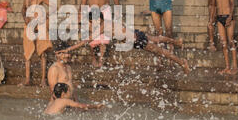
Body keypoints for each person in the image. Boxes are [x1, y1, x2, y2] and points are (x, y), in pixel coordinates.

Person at [59, 16, 189, 74]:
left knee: (160, 51)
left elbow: (85, 41)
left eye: (91, 22)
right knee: (156, 38)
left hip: (136, 39)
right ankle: (177, 42)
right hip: (136, 35)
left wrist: (68, 49)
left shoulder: (103, 27)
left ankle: (182, 62)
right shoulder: (107, 23)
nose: (91, 25)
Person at [21, 0, 53, 87]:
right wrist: (25, 18)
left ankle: (43, 80)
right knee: (27, 54)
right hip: (29, 25)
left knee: (42, 53)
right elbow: (23, 9)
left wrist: (47, 15)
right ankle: (27, 80)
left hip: (40, 26)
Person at [210, 0, 238, 75]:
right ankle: (227, 66)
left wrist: (230, 16)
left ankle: (234, 66)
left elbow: (232, 4)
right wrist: (211, 19)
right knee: (223, 43)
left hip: (228, 17)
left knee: (231, 41)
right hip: (219, 18)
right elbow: (213, 6)